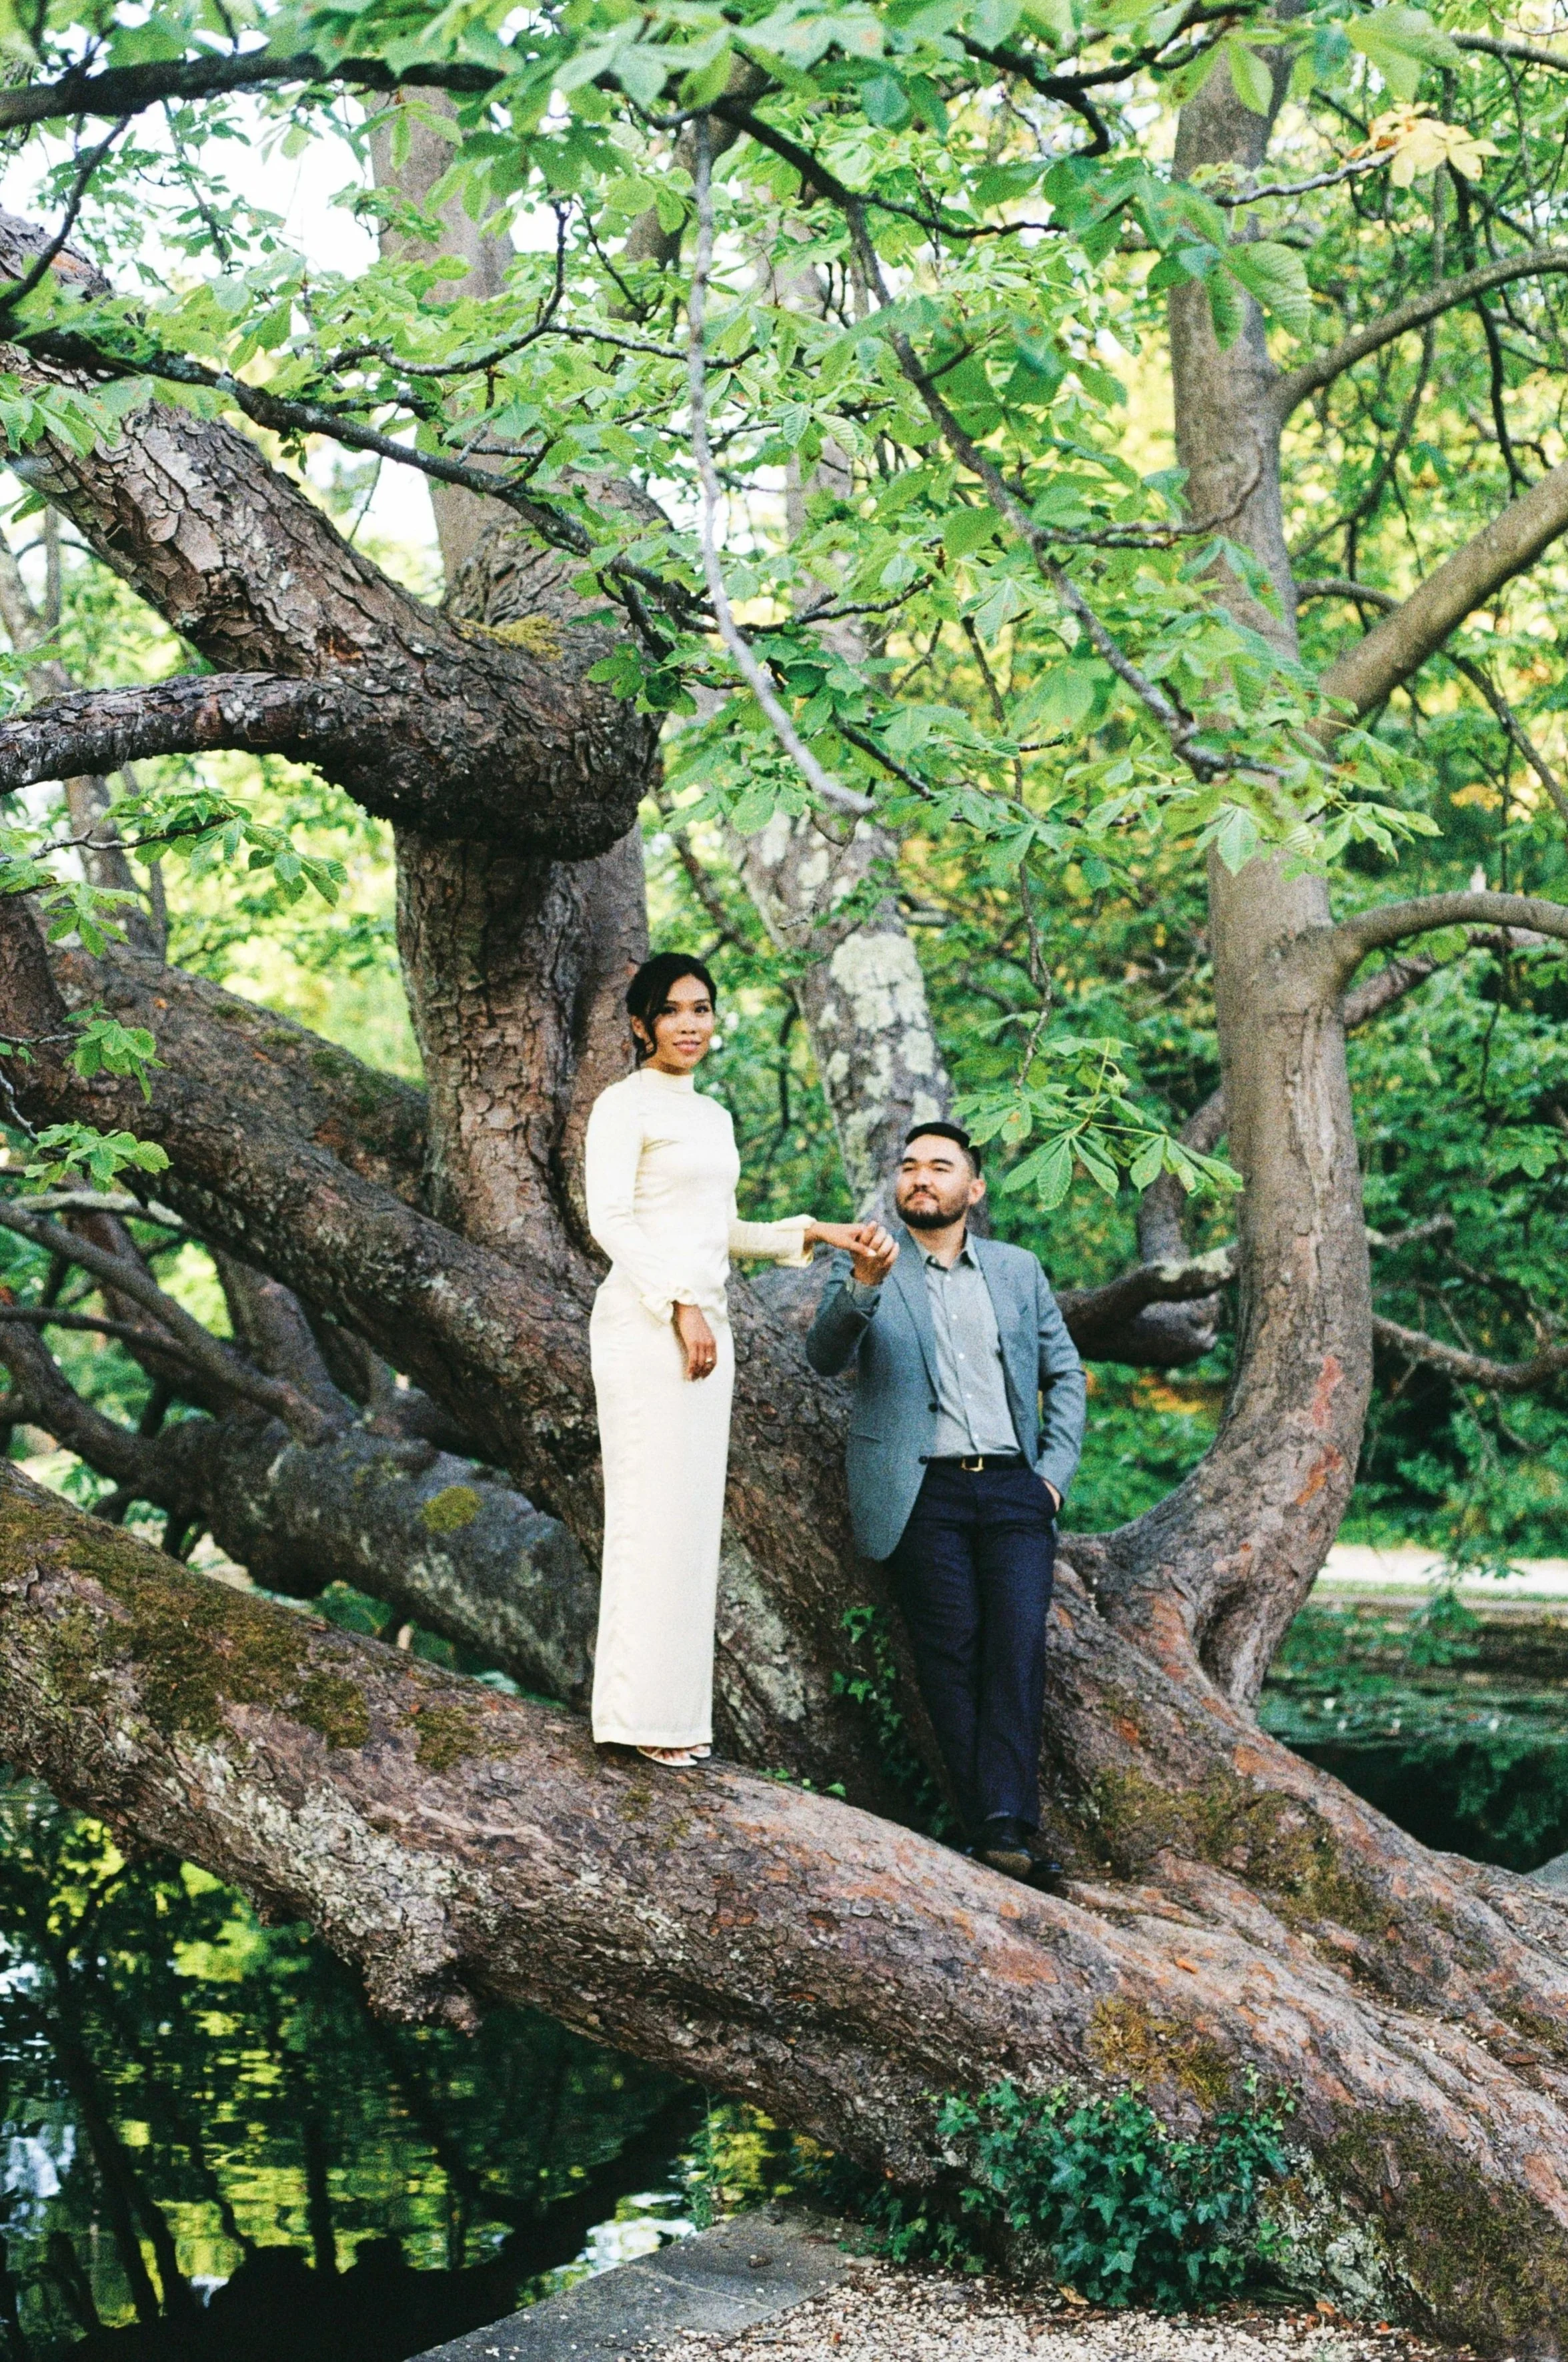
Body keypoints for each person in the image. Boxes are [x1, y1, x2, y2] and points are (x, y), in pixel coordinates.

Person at [585, 951, 874, 1770]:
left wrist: (815, 1234)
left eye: (702, 1009)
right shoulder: (622, 1105)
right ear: (642, 1023)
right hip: (647, 1323)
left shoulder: (710, 1116)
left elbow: (719, 1229)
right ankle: (633, 1711)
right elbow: (609, 1217)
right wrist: (678, 1301)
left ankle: (674, 1713)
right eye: (673, 1010)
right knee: (646, 1508)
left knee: (689, 1517)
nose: (690, 1024)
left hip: (705, 1325)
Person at [805, 1123, 1086, 1884]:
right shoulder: (866, 1263)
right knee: (949, 1655)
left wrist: (1052, 1475)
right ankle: (998, 1829)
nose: (919, 1178)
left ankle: (999, 1823)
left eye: (939, 1166)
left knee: (1017, 1646)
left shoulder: (1017, 1270)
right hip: (919, 1487)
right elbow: (824, 1357)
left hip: (1011, 1486)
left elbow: (1063, 1374)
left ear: (974, 1186)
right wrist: (861, 1284)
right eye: (907, 1167)